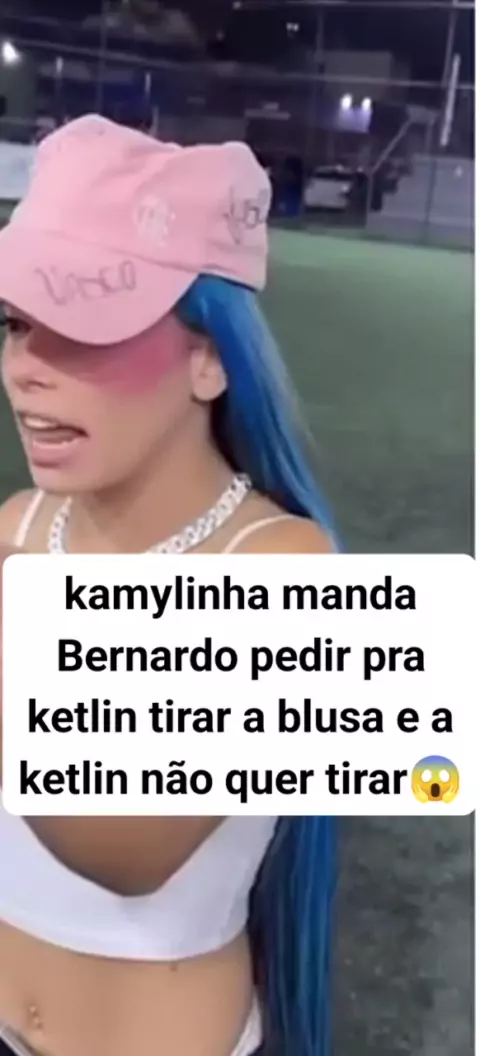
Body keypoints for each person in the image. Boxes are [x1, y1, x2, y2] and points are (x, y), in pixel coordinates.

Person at [0, 115, 337, 1056]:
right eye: (16, 323)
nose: (25, 369)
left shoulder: (279, 566)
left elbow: (125, 841)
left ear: (211, 357)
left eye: (84, 326)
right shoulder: (18, 528)